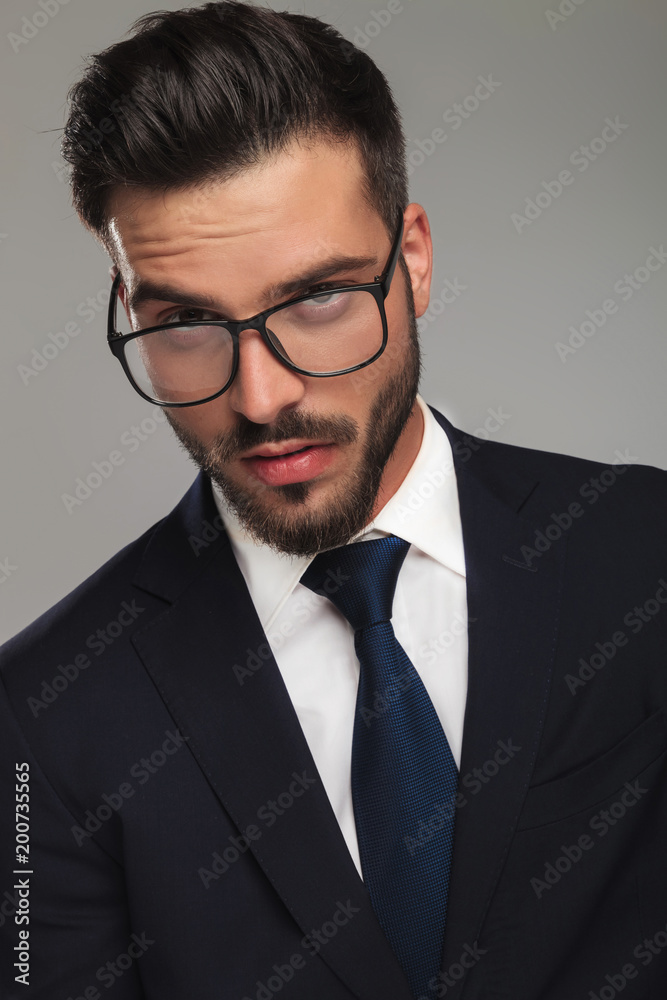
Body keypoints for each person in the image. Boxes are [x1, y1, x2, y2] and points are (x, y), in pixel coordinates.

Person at [1, 3, 666, 998]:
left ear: (415, 259)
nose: (260, 398)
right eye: (183, 322)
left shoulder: (641, 548)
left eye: (315, 298)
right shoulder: (43, 719)